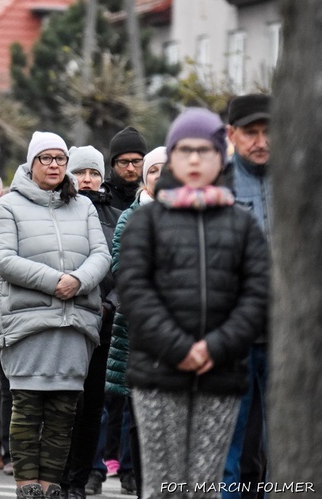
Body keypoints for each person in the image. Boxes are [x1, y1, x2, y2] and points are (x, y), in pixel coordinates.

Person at [117, 108, 268, 499]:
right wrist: (180, 348)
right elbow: (134, 291)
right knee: (164, 486)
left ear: (222, 154)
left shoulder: (242, 223)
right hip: (159, 371)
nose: (196, 159)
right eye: (185, 150)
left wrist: (214, 347)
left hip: (220, 371)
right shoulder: (145, 223)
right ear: (172, 155)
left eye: (206, 150)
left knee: (204, 486)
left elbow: (256, 294)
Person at [0, 132, 111, 499]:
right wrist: (54, 282)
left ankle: (50, 486)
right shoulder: (9, 206)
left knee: (63, 413)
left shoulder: (84, 207)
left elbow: (102, 255)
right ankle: (27, 486)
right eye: (47, 158)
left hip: (75, 322)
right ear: (31, 164)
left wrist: (77, 281)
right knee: (27, 408)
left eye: (60, 158)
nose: (55, 165)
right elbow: (5, 259)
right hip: (28, 323)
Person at [103, 145, 167, 497]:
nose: (160, 175)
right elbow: (121, 269)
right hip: (139, 332)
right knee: (140, 420)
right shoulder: (130, 218)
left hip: (182, 333)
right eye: (154, 170)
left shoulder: (191, 212)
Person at [63, 146, 123, 498]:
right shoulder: (59, 211)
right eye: (80, 172)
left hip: (102, 323)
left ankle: (82, 478)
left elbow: (126, 270)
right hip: (66, 320)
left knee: (93, 406)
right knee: (64, 403)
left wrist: (109, 305)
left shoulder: (117, 216)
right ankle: (59, 474)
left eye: (94, 173)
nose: (87, 179)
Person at [221, 94, 272, 499]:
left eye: (269, 131)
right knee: (230, 446)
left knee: (291, 438)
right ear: (231, 134)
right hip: (232, 332)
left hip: (290, 336)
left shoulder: (303, 180)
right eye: (251, 132)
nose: (261, 141)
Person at [105, 127, 147, 210]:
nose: (130, 168)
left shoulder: (156, 197)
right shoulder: (102, 197)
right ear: (113, 164)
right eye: (123, 162)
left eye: (136, 161)